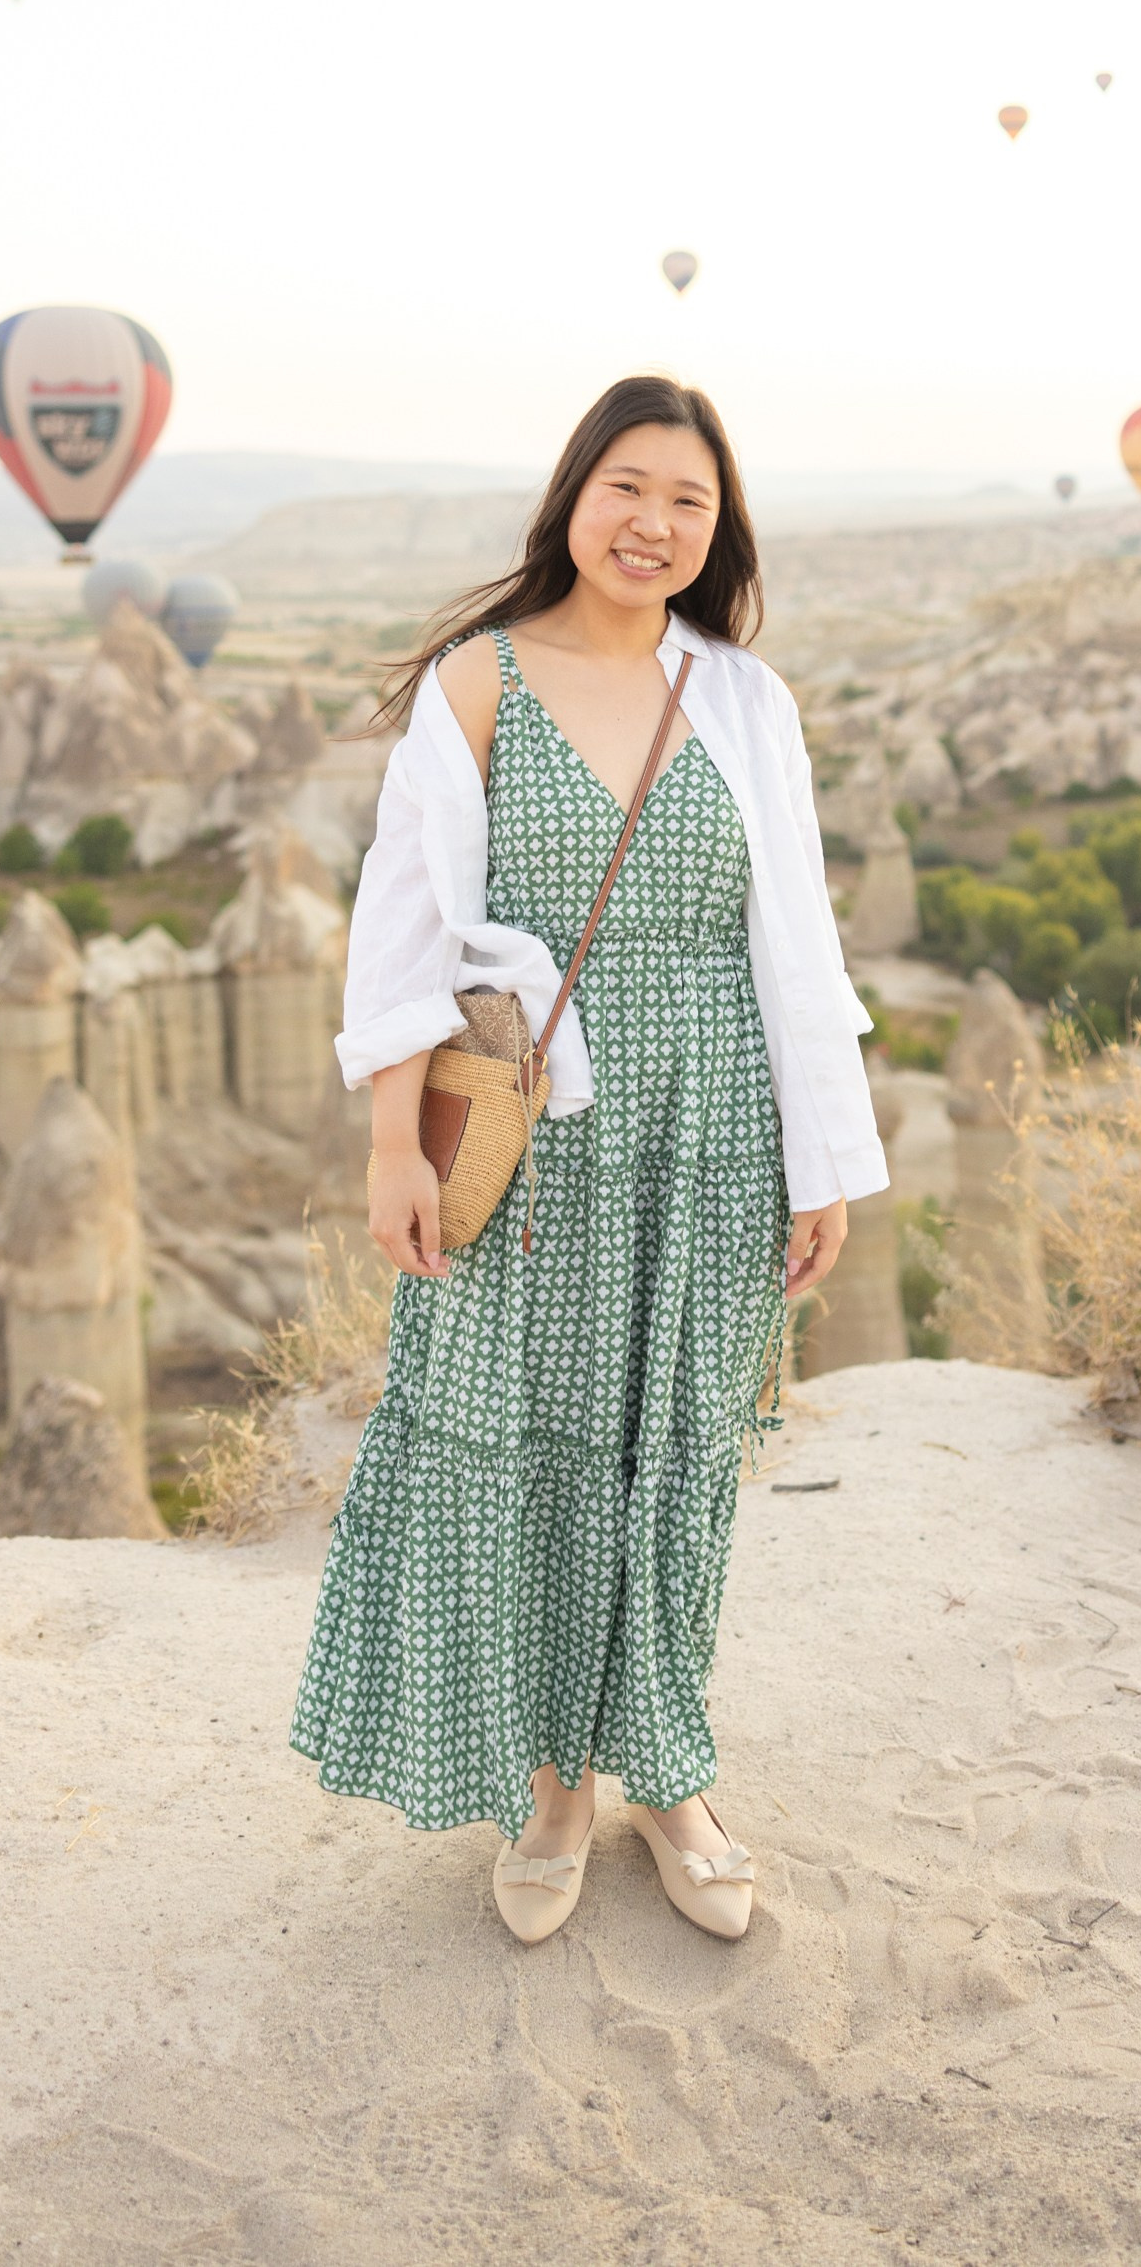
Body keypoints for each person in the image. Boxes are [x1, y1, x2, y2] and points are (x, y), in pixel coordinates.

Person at [291, 375, 887, 1943]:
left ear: (717, 529)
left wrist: (819, 1158)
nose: (654, 524)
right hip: (539, 1136)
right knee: (537, 1458)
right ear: (573, 495)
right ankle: (554, 1781)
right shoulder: (476, 682)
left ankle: (668, 1771)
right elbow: (402, 928)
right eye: (628, 487)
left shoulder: (746, 702)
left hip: (717, 1130)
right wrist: (390, 1148)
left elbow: (799, 946)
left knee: (677, 1465)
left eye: (688, 502)